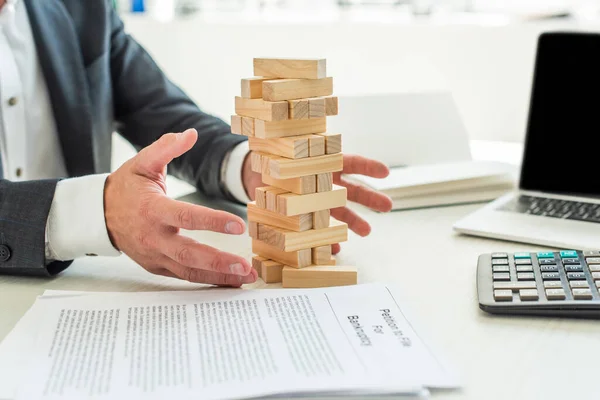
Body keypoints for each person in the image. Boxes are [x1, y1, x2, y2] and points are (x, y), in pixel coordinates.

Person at [0, 0, 392, 286]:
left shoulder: (81, 7)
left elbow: (162, 111)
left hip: (79, 286)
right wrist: (95, 212)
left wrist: (251, 164)